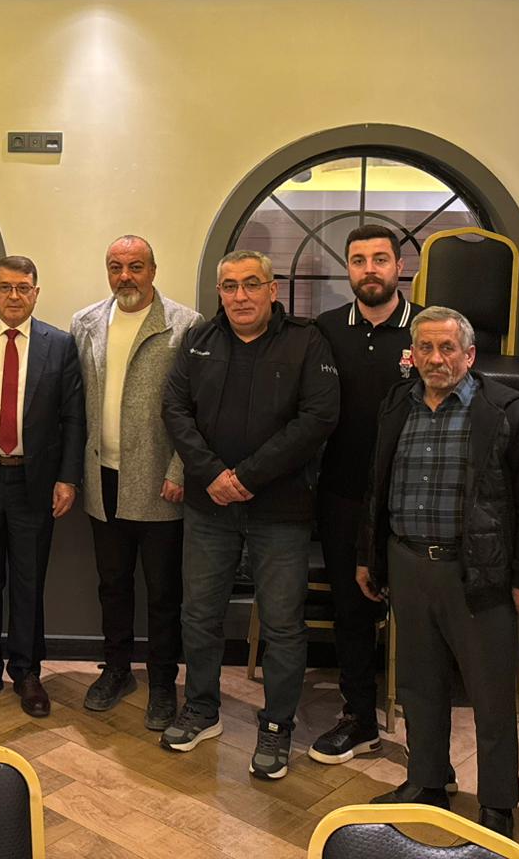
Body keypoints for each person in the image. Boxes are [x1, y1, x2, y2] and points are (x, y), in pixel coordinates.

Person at [356, 306, 519, 839]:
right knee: (418, 684)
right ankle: (427, 781)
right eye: (425, 348)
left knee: (491, 694)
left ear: (469, 354)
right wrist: (368, 555)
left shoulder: (506, 410)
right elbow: (376, 484)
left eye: (447, 349)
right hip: (408, 563)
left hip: (478, 573)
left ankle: (498, 802)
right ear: (412, 354)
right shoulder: (398, 403)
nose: (435, 359)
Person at [161, 250, 340, 776]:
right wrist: (213, 475)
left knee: (282, 624)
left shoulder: (306, 341)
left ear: (272, 289)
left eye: (251, 284)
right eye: (230, 286)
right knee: (199, 614)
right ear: (220, 292)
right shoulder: (198, 340)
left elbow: (318, 418)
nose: (240, 296)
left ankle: (277, 726)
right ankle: (201, 709)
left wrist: (248, 477)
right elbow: (175, 409)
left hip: (280, 510)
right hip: (209, 505)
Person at [70, 235, 202, 732]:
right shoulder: (85, 322)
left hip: (160, 482)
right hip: (102, 477)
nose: (125, 276)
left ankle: (164, 682)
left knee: (163, 592)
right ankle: (117, 671)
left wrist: (179, 470)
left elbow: (197, 406)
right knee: (112, 585)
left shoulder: (185, 325)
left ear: (153, 270)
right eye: (115, 266)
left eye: (135, 266)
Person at [0, 255, 86, 718]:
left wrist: (67, 477)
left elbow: (72, 418)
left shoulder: (60, 345)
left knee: (28, 582)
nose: (14, 296)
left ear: (36, 293)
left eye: (23, 288)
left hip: (35, 482)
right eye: (5, 287)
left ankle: (27, 673)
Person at [310, 225, 421, 764]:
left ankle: (427, 737)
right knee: (351, 613)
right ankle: (358, 718)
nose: (369, 269)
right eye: (359, 260)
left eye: (380, 259)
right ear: (348, 269)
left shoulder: (427, 329)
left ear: (400, 267)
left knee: (421, 618)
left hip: (414, 499)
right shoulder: (327, 329)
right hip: (343, 494)